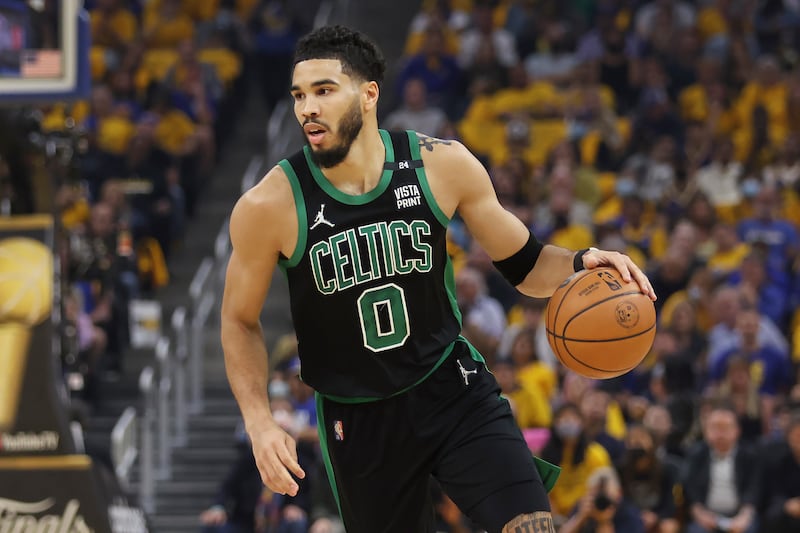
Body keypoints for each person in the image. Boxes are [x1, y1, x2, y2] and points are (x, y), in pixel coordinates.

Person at [220, 25, 655, 533]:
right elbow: (238, 320)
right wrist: (259, 421)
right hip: (359, 418)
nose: (307, 108)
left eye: (323, 91)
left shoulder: (439, 164)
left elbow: (528, 266)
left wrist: (582, 262)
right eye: (299, 96)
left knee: (534, 526)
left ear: (368, 93)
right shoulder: (268, 204)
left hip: (451, 388)